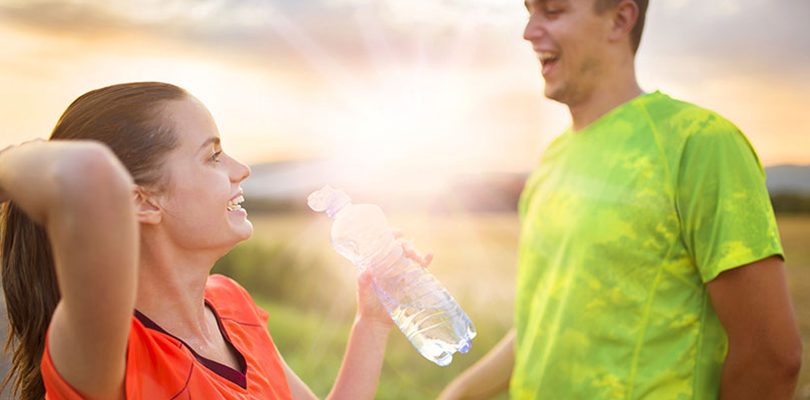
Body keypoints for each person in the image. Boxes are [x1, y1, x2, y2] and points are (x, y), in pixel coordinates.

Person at [440, 0, 802, 398]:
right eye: (529, 12)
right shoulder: (552, 162)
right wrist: (457, 394)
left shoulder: (699, 143)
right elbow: (544, 320)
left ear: (620, 19)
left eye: (553, 11)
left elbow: (771, 356)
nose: (528, 32)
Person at [0, 82, 430, 400]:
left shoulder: (230, 305)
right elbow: (86, 174)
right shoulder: (107, 352)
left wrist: (371, 323)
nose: (241, 169)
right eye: (212, 156)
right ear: (142, 201)